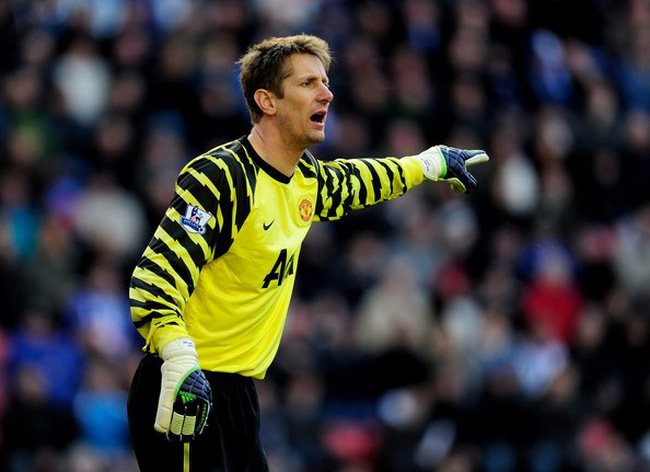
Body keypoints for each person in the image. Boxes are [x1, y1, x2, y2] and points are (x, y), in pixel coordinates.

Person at [127, 34, 488, 472]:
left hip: (238, 395)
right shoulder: (222, 177)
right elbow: (154, 279)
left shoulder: (304, 178)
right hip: (185, 385)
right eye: (307, 83)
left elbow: (358, 181)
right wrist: (179, 355)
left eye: (326, 82)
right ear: (267, 101)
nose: (327, 94)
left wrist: (429, 164)